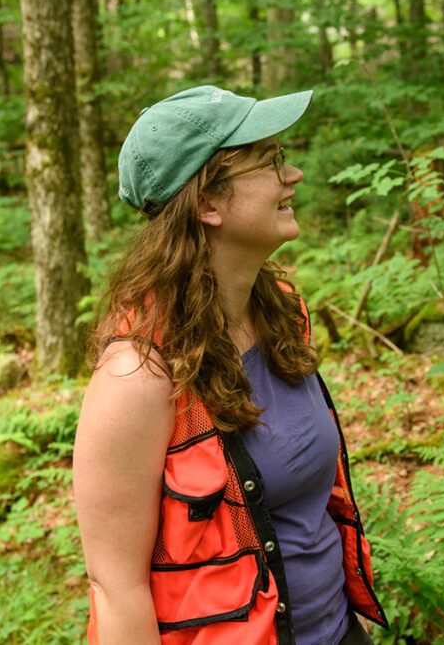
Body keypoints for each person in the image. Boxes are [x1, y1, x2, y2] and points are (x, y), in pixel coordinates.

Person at [73, 86, 388, 645]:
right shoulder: (138, 377)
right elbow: (115, 587)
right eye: (269, 162)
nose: (291, 177)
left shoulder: (281, 315)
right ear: (207, 204)